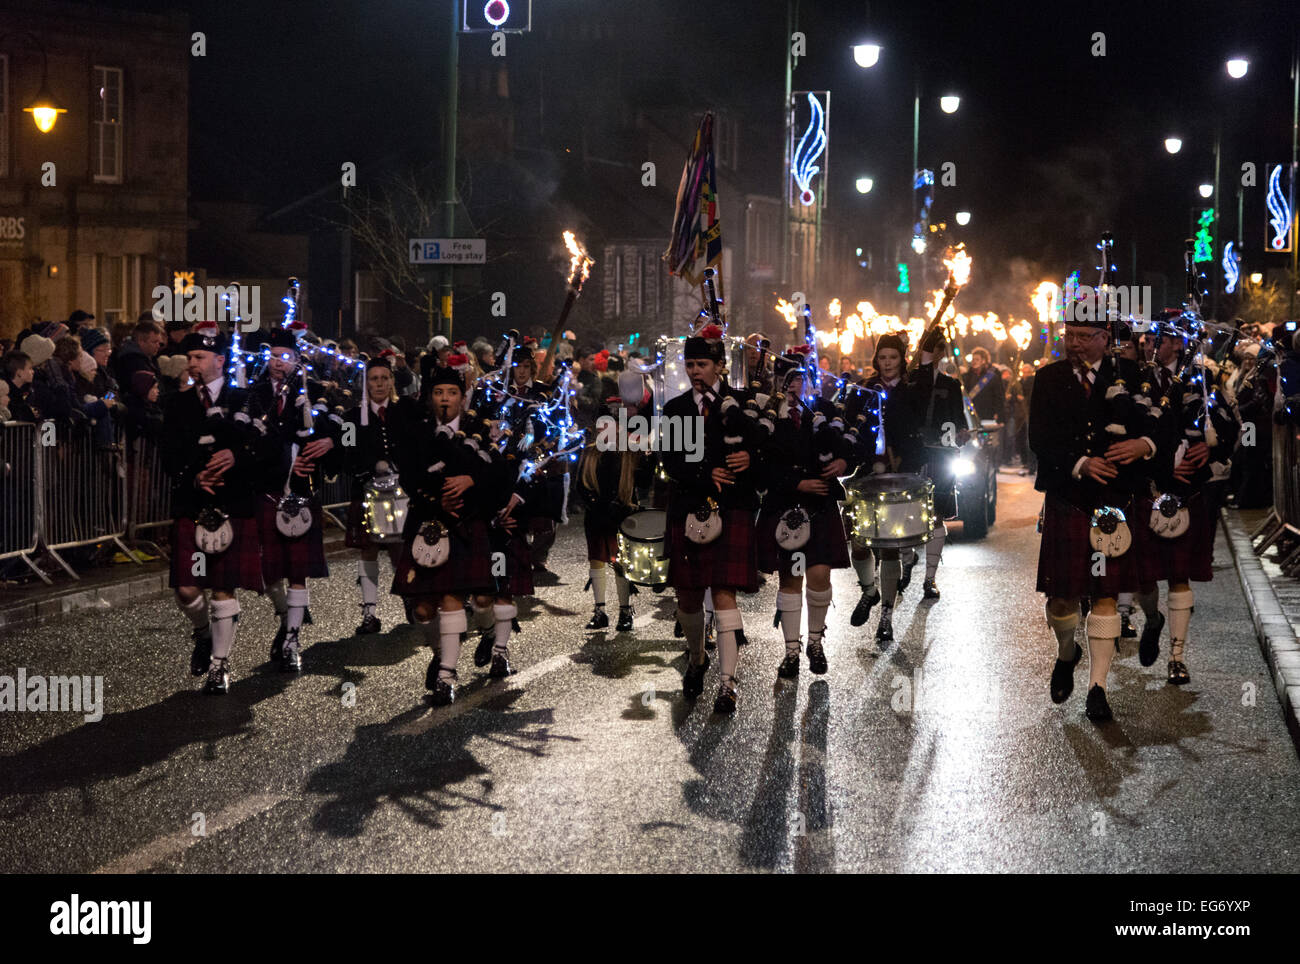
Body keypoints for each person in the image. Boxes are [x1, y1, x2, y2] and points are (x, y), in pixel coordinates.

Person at [1029, 315, 1161, 722]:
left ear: (1106, 339)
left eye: (1085, 337)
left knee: (1106, 594)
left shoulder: (1134, 376)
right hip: (1070, 494)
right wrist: (1081, 463)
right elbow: (1039, 440)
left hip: (1114, 499)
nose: (1075, 344)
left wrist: (1145, 444)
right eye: (1070, 336)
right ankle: (1067, 653)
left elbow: (1162, 425)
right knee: (1063, 597)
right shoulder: (1049, 378)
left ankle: (1098, 688)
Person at [662, 324, 768, 714]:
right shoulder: (676, 409)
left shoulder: (742, 404)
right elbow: (670, 461)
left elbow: (764, 450)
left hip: (734, 506)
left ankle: (728, 685)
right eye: (690, 364)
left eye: (702, 364)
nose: (695, 371)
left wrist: (751, 460)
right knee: (688, 597)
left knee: (724, 592)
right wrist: (706, 473)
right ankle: (696, 657)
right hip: (689, 504)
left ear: (720, 366)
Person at [1129, 320, 1238, 685]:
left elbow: (1229, 424)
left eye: (1156, 340)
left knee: (1179, 574)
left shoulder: (1202, 379)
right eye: (1147, 340)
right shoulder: (1136, 378)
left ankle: (1177, 656)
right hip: (1148, 487)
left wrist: (1211, 445)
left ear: (1176, 343)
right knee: (1144, 577)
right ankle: (1153, 619)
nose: (1148, 345)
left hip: (1187, 490)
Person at [161, 321, 268, 694]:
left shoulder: (243, 399)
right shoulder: (178, 403)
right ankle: (203, 633)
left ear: (219, 360)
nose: (192, 363)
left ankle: (220, 666)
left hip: (233, 504)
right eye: (189, 357)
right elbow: (169, 453)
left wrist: (235, 455)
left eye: (199, 356)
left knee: (223, 586)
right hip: (194, 504)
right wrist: (194, 477)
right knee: (188, 590)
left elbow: (261, 450)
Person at [392, 359, 500, 705]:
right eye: (438, 392)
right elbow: (409, 475)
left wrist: (472, 480)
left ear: (461, 396)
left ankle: (447, 676)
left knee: (453, 597)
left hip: (465, 522)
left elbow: (497, 474)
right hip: (427, 521)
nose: (445, 399)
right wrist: (437, 498)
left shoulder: (478, 428)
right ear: (430, 396)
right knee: (422, 610)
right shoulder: (418, 429)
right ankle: (441, 652)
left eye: (451, 392)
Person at [759, 351, 856, 679]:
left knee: (819, 576)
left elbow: (849, 449)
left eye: (802, 379)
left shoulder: (825, 411)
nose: (798, 386)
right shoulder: (770, 415)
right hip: (786, 505)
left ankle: (815, 642)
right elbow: (764, 465)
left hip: (820, 507)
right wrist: (798, 482)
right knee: (790, 580)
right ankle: (791, 651)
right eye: (791, 381)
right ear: (780, 383)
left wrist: (845, 463)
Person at [248, 328, 338, 671]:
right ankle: (287, 616)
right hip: (268, 488)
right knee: (266, 569)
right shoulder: (254, 394)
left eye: (284, 357)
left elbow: (338, 429)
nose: (277, 363)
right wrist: (288, 452)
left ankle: (292, 639)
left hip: (302, 490)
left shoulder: (315, 393)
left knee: (297, 571)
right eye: (273, 356)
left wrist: (329, 442)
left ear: (296, 361)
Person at [342, 356, 421, 634]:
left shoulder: (406, 410)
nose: (379, 384)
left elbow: (416, 446)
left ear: (391, 381)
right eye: (374, 379)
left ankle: (410, 599)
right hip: (367, 491)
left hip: (403, 491)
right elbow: (346, 455)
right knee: (369, 549)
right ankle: (369, 613)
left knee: (402, 549)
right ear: (366, 383)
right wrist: (368, 469)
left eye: (384, 378)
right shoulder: (351, 418)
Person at [896, 326, 967, 603]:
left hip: (941, 454)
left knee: (936, 515)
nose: (936, 353)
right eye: (931, 348)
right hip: (912, 455)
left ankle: (930, 578)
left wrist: (960, 432)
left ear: (941, 352)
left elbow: (958, 419)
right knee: (902, 514)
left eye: (939, 349)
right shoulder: (910, 380)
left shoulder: (951, 385)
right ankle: (906, 563)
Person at [850, 334, 913, 639]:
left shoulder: (911, 390)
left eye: (893, 357)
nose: (887, 363)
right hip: (866, 474)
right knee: (860, 543)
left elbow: (916, 431)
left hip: (897, 475)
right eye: (883, 357)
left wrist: (904, 455)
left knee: (889, 548)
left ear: (902, 359)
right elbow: (850, 426)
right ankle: (869, 590)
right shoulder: (864, 388)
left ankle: (886, 615)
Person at [576, 372, 648, 632]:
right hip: (597, 514)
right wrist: (593, 502)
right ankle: (599, 611)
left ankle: (625, 611)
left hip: (622, 513)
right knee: (596, 560)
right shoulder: (591, 452)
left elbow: (643, 480)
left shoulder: (631, 452)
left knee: (621, 563)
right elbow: (580, 485)